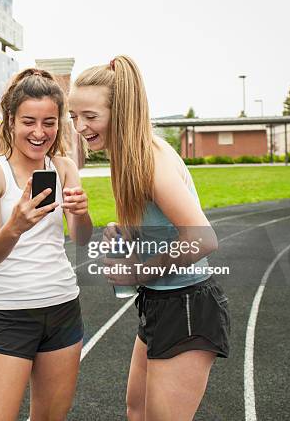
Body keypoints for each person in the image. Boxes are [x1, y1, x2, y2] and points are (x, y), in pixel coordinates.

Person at [69, 55, 230, 421]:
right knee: (137, 410)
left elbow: (204, 239)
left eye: (90, 116)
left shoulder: (149, 161)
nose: (79, 126)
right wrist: (128, 230)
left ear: (121, 112)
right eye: (74, 116)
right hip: (159, 302)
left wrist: (139, 271)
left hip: (187, 305)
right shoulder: (127, 156)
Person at [0, 68, 93, 421]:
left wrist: (82, 214)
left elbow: (80, 239)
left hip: (63, 309)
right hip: (9, 314)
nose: (39, 133)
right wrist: (17, 225)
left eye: (49, 122)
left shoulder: (65, 167)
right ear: (9, 120)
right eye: (29, 121)